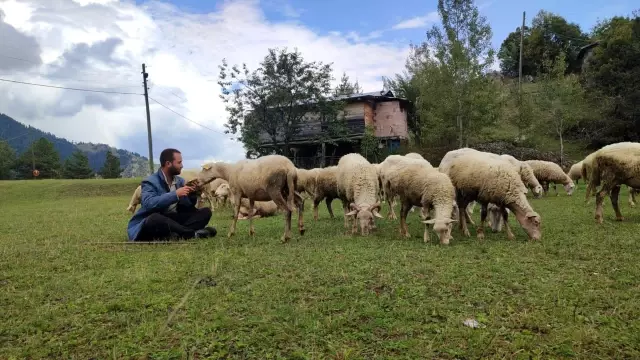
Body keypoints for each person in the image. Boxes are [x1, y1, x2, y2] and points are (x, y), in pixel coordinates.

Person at [127, 148, 217, 241]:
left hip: (172, 219)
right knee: (154, 219)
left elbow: (186, 208)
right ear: (168, 164)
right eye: (179, 162)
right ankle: (192, 234)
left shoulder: (180, 181)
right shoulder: (150, 181)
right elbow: (149, 204)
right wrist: (176, 194)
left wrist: (192, 194)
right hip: (152, 221)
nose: (182, 166)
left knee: (205, 212)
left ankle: (175, 234)